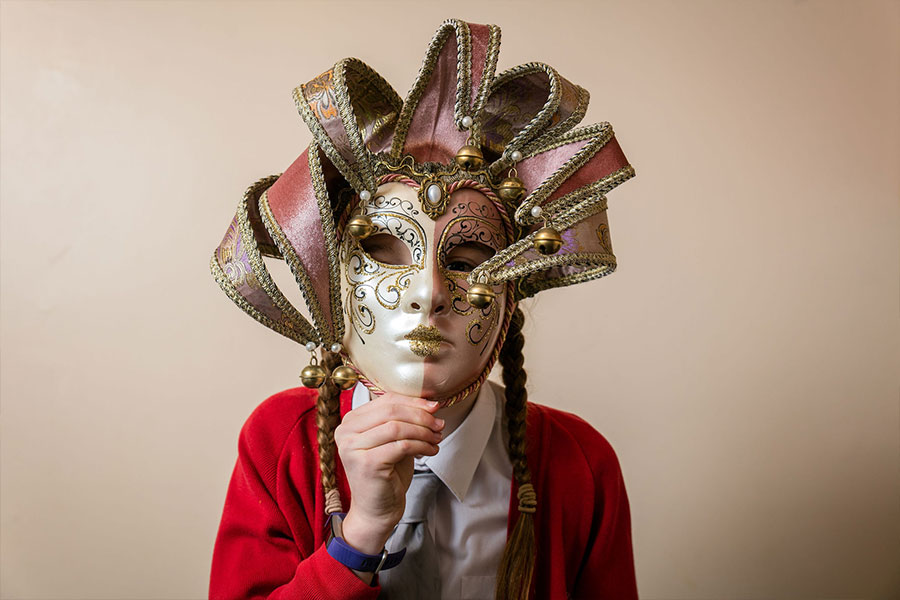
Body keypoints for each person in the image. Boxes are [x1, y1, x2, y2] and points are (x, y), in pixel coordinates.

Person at [209, 18, 638, 600]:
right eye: (382, 251)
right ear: (332, 278)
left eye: (466, 257)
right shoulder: (279, 443)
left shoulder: (578, 465)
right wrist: (357, 539)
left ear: (514, 289)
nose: (429, 292)